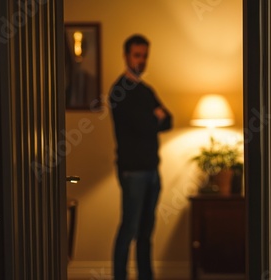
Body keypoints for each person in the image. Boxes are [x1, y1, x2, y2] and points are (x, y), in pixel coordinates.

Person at [109, 34, 172, 280]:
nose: (141, 60)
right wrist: (154, 117)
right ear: (126, 56)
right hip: (132, 170)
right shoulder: (119, 91)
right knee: (129, 229)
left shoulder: (146, 90)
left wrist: (155, 118)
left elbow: (169, 120)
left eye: (145, 55)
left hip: (152, 170)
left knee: (146, 232)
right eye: (137, 55)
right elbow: (143, 126)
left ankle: (146, 276)